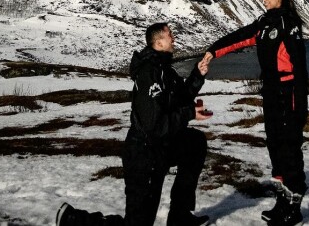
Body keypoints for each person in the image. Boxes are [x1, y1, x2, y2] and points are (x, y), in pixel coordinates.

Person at [56, 22, 212, 226]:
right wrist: (190, 113)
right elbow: (153, 126)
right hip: (144, 156)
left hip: (161, 147)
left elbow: (181, 97)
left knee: (195, 143)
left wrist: (197, 75)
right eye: (170, 35)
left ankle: (179, 217)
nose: (174, 38)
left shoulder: (165, 70)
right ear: (158, 42)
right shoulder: (149, 74)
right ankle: (74, 220)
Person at [201, 0, 308, 226]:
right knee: (274, 145)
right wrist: (213, 51)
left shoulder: (288, 24)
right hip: (270, 91)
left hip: (288, 90)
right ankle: (282, 202)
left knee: (289, 146)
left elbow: (300, 66)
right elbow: (240, 37)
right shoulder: (263, 23)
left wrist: (300, 103)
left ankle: (294, 207)